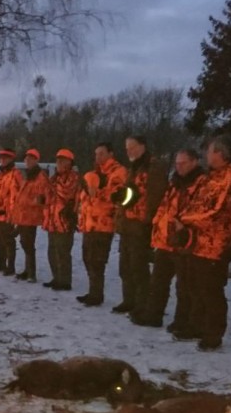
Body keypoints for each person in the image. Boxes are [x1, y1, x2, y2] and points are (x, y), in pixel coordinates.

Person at [177, 137, 231, 351]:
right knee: (196, 287)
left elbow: (215, 212)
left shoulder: (229, 178)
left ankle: (213, 334)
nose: (207, 155)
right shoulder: (210, 177)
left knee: (211, 291)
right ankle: (197, 326)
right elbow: (196, 203)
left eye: (209, 151)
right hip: (199, 242)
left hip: (216, 245)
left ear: (220, 154)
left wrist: (185, 219)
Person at [138, 147, 204, 329]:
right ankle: (153, 314)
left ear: (194, 162)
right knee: (158, 281)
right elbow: (164, 206)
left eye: (183, 163)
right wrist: (156, 226)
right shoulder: (174, 183)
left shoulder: (200, 184)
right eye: (177, 163)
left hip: (183, 241)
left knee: (184, 285)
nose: (179, 167)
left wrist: (183, 230)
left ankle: (182, 321)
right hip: (165, 240)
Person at [114, 135, 159, 317]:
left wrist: (147, 223)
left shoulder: (153, 167)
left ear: (143, 146)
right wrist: (122, 198)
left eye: (132, 147)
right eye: (127, 149)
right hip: (127, 225)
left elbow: (154, 198)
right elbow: (131, 194)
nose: (129, 152)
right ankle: (129, 300)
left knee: (139, 267)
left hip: (140, 226)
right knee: (125, 267)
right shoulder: (133, 168)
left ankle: (142, 304)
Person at [77, 142, 125, 307]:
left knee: (97, 261)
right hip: (90, 224)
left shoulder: (118, 172)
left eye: (102, 153)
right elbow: (87, 198)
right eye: (96, 154)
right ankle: (93, 292)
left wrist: (97, 190)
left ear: (111, 154)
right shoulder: (95, 173)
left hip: (103, 225)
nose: (98, 157)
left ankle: (96, 295)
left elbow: (116, 197)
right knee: (87, 259)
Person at [42, 148, 79, 291]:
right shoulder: (55, 178)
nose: (59, 163)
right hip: (52, 221)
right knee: (52, 252)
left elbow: (65, 193)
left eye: (62, 160)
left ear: (70, 162)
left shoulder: (73, 177)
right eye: (58, 160)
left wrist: (50, 185)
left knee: (63, 252)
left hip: (65, 222)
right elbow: (48, 194)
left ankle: (65, 281)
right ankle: (56, 278)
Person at [11, 148, 49, 282]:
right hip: (23, 216)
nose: (28, 160)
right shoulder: (29, 175)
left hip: (31, 216)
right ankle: (27, 271)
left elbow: (41, 197)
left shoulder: (40, 175)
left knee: (28, 244)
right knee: (24, 243)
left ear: (36, 160)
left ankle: (31, 274)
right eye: (26, 158)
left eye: (31, 158)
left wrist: (29, 202)